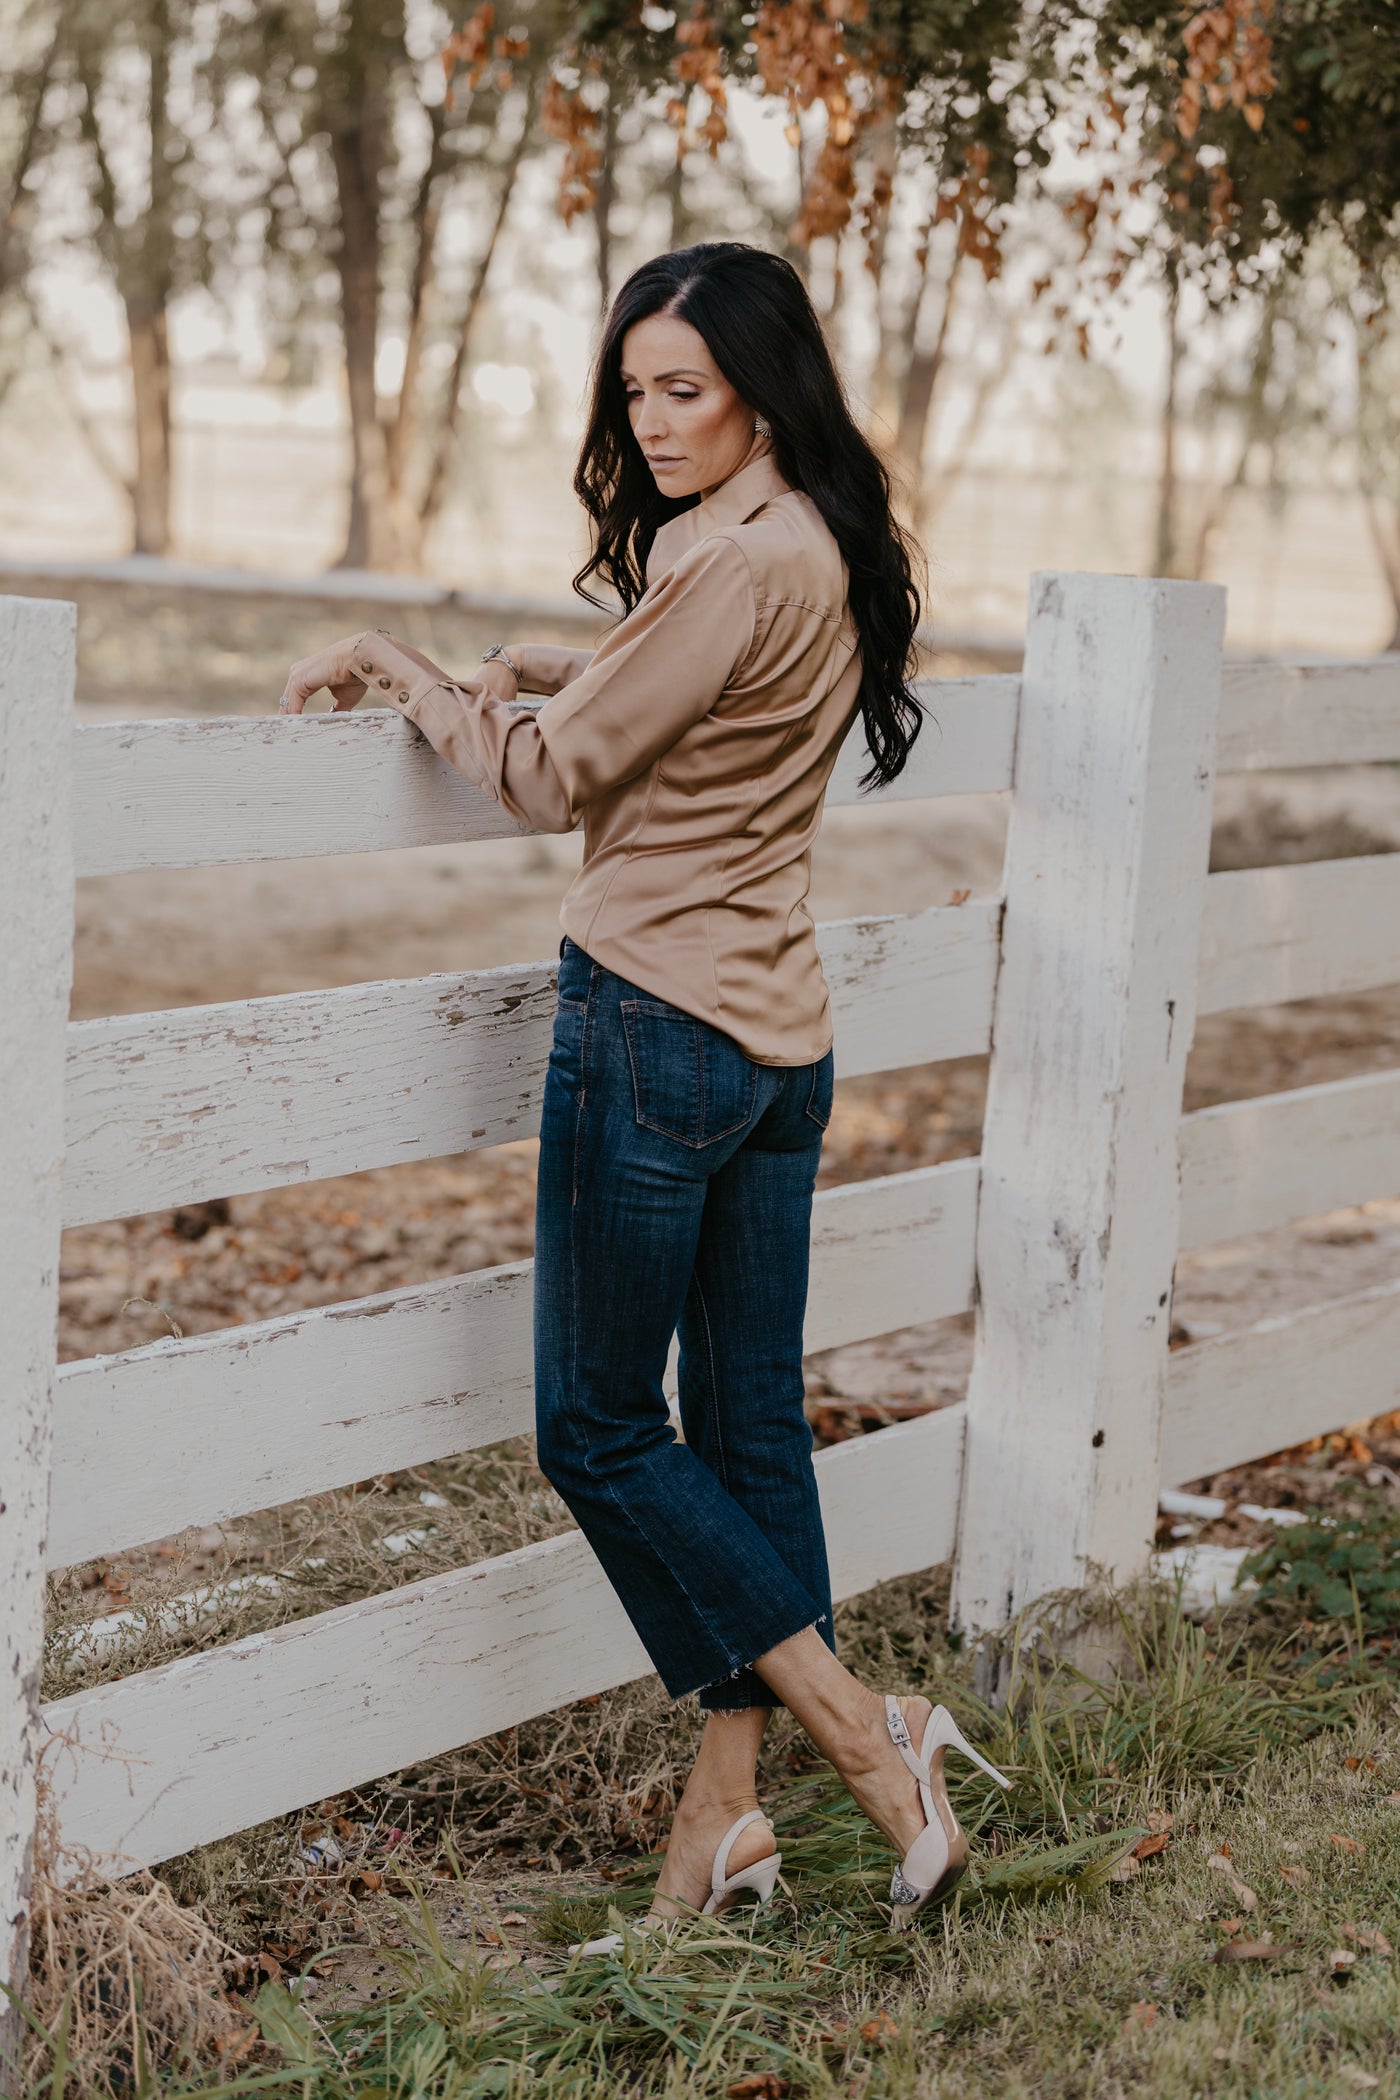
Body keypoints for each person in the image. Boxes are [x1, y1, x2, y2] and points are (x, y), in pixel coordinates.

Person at [276, 241, 1008, 1939]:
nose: (656, 421)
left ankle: (868, 1736)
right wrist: (553, 657)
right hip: (780, 1047)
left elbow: (544, 783)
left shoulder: (734, 559)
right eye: (635, 393)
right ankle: (725, 1815)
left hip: (657, 1029)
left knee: (599, 1427)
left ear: (764, 385)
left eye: (685, 390)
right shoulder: (814, 544)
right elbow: (679, 687)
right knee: (751, 1432)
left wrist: (404, 666)